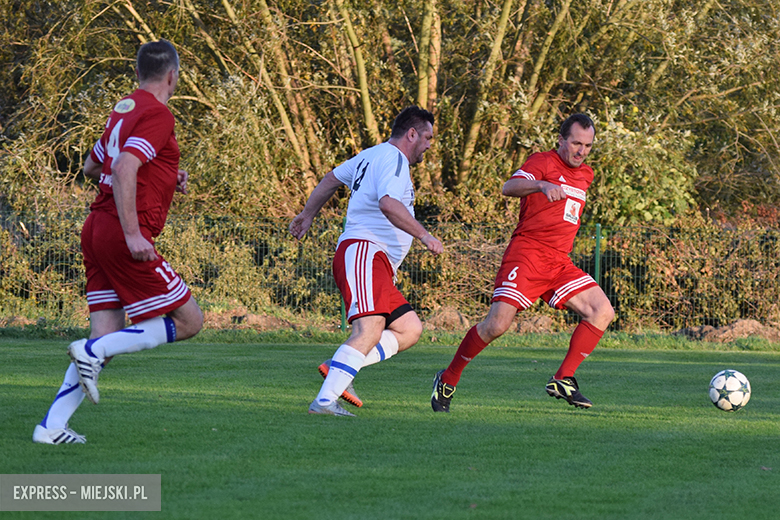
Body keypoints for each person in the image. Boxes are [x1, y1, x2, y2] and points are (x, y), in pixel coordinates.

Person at [33, 39, 203, 444]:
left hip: (95, 228)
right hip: (120, 232)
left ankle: (52, 426)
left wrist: (163, 177)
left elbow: (95, 165)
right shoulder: (159, 113)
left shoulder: (123, 109)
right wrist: (132, 233)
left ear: (138, 73)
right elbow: (126, 165)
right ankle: (89, 354)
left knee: (105, 335)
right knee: (190, 320)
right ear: (172, 75)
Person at [431, 113, 614, 412]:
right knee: (497, 325)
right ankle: (448, 378)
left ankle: (563, 378)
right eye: (576, 143)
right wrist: (541, 185)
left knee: (602, 311)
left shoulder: (586, 175)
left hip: (558, 262)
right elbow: (509, 186)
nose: (581, 151)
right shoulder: (541, 162)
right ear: (561, 140)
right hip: (527, 254)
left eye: (588, 146)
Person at [290, 106, 444, 416]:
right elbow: (388, 204)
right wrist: (425, 236)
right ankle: (324, 402)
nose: (429, 145)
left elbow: (331, 179)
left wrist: (308, 214)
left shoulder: (371, 155)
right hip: (365, 251)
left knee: (409, 329)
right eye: (427, 137)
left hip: (377, 262)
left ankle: (341, 367)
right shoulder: (394, 159)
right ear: (412, 134)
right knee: (370, 328)